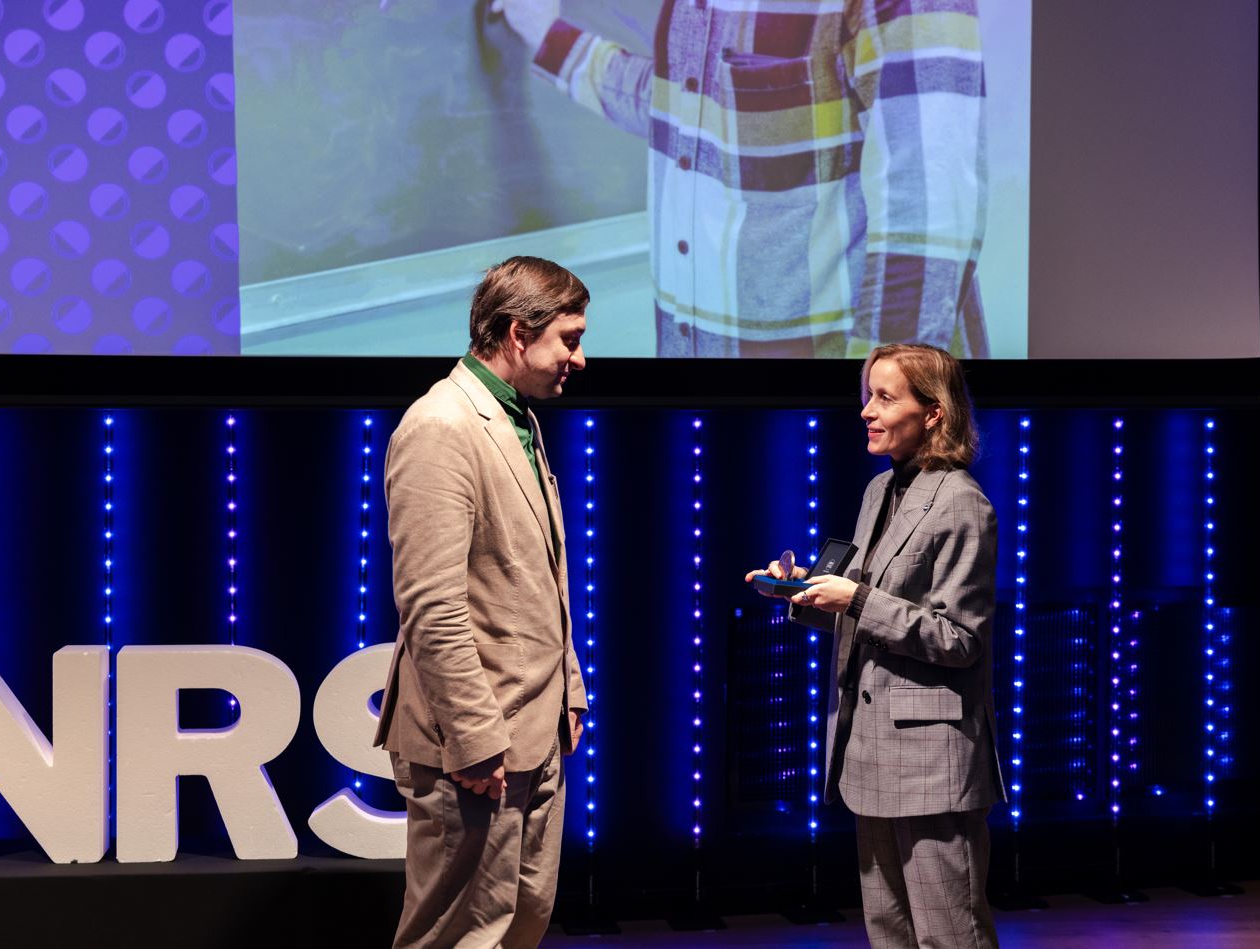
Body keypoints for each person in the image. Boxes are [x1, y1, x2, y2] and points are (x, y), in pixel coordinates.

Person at [491, 0, 990, 359]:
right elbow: (680, 108)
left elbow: (931, 216)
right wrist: (544, 33)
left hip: (837, 406)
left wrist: (876, 406)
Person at [747, 343, 1004, 948]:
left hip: (932, 758)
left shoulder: (963, 504)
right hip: (871, 751)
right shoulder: (878, 492)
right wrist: (800, 594)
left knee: (950, 935)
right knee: (888, 931)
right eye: (869, 394)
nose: (866, 410)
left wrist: (856, 600)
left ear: (934, 412)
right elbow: (860, 612)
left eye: (885, 397)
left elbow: (960, 639)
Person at [374, 256, 589, 948]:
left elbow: (535, 581)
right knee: (454, 934)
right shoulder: (440, 425)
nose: (579, 359)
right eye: (568, 338)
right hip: (474, 743)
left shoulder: (514, 417)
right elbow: (431, 605)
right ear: (516, 334)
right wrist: (472, 738)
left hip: (533, 730)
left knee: (517, 923)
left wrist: (570, 697)